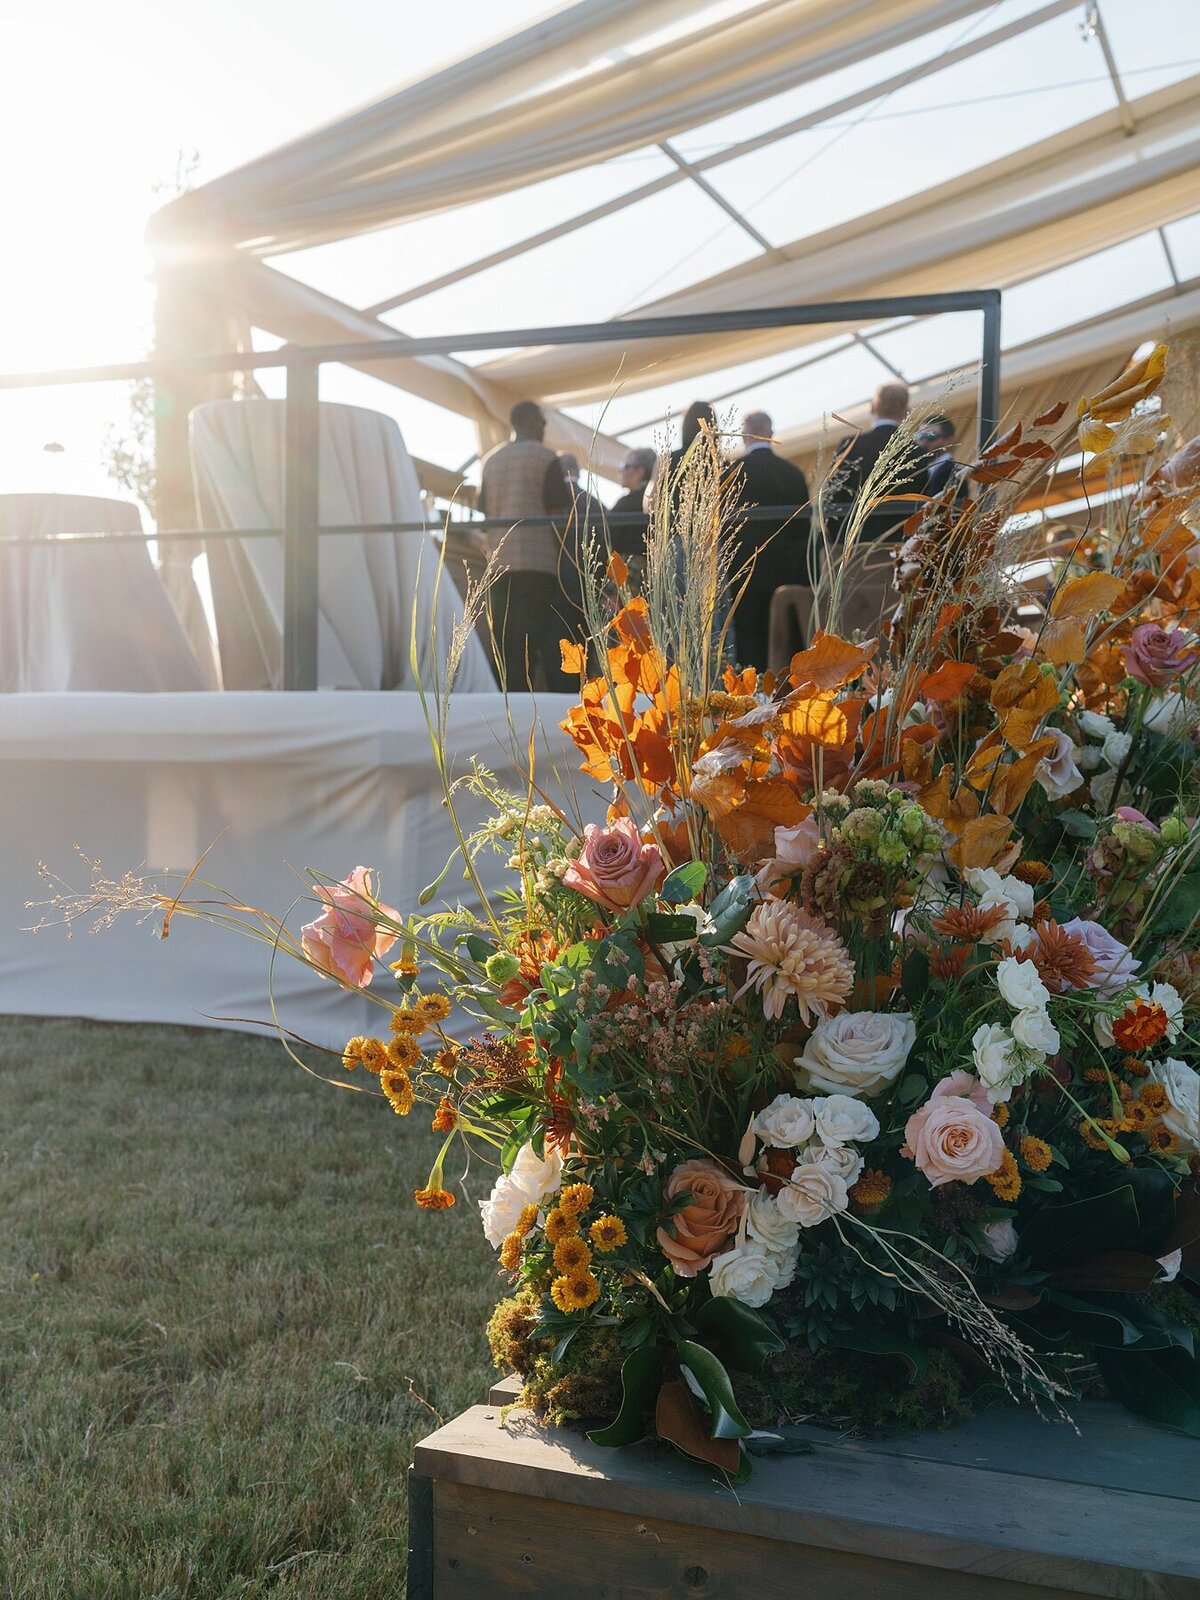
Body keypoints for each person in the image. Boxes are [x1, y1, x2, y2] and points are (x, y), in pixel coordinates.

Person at [478, 400, 573, 691]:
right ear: (530, 422)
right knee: (538, 640)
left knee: (507, 646)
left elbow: (484, 516)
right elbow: (560, 515)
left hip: (499, 565)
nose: (545, 428)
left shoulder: (491, 461)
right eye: (543, 422)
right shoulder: (547, 458)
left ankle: (506, 707)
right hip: (539, 564)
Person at [728, 410, 811, 669]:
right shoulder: (793, 474)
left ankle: (751, 695)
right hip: (786, 572)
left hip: (744, 569)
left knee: (749, 639)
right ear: (771, 434)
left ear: (744, 436)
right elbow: (804, 527)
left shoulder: (732, 474)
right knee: (786, 640)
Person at [824, 381, 926, 540]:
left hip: (855, 542)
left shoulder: (851, 445)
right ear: (906, 412)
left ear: (873, 408)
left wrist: (837, 538)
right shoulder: (916, 451)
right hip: (901, 543)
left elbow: (833, 495)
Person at [916, 414, 961, 496]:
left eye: (931, 436)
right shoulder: (920, 468)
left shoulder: (953, 473)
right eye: (921, 436)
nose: (924, 442)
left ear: (948, 440)